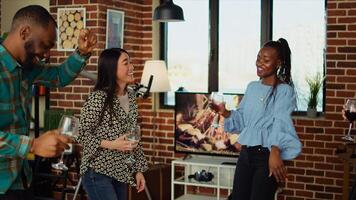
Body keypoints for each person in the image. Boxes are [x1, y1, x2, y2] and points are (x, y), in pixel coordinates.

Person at [0, 5, 96, 199]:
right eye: (45, 46)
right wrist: (33, 145)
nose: (46, 55)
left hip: (21, 180)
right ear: (25, 32)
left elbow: (59, 76)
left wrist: (82, 53)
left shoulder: (27, 67)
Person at [212, 38, 302, 200]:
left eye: (266, 60)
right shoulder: (252, 87)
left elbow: (281, 123)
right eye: (259, 58)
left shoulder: (284, 91)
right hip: (246, 154)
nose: (259, 63)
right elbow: (242, 120)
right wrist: (225, 112)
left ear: (278, 63)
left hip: (267, 156)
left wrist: (275, 151)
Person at [78, 48, 148, 200]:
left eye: (131, 62)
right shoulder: (98, 98)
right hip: (97, 171)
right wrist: (112, 144)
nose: (131, 67)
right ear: (112, 68)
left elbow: (133, 138)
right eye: (126, 63)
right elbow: (80, 133)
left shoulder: (130, 96)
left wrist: (138, 170)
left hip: (121, 171)